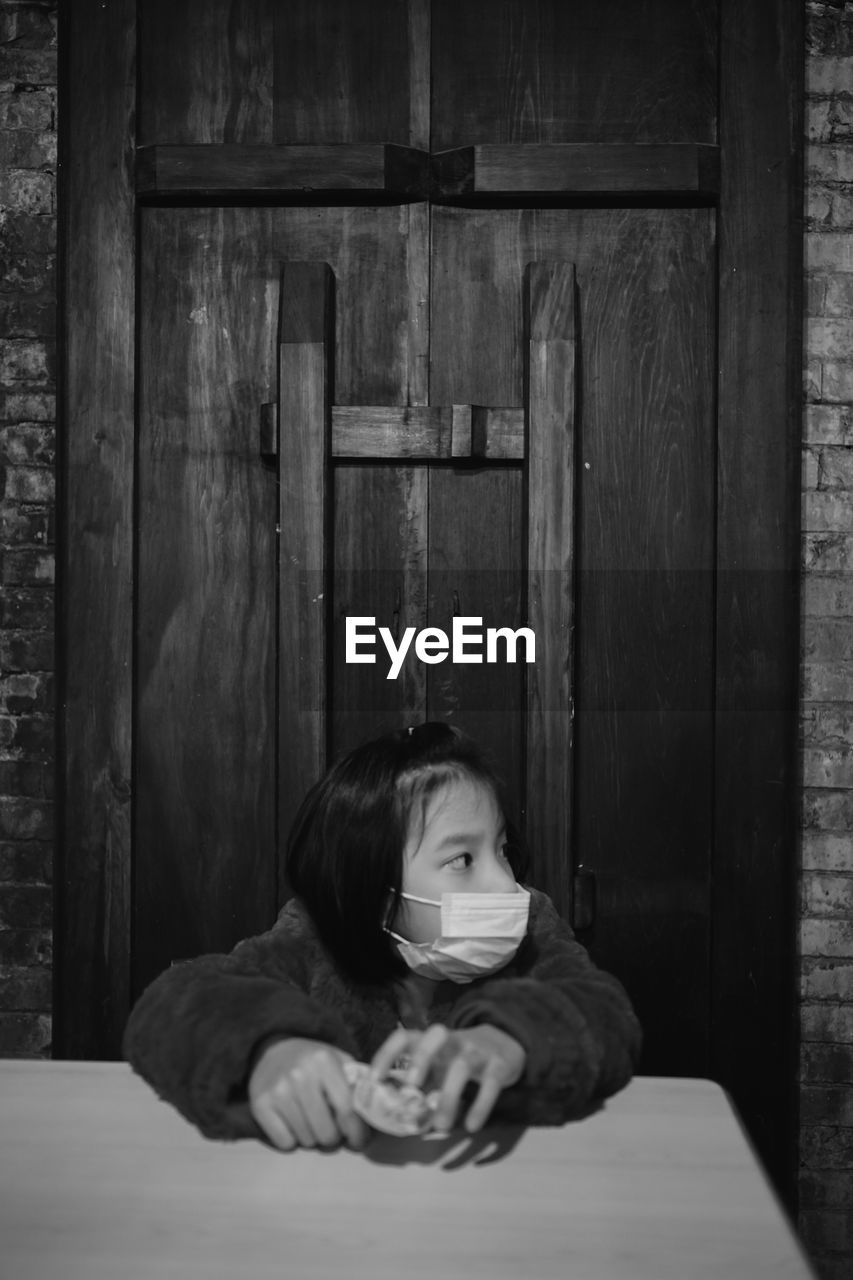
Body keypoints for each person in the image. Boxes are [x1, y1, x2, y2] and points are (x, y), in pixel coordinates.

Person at [123, 722, 641, 1151]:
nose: (506, 882)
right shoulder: (316, 936)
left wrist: (510, 1040)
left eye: (502, 848)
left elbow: (605, 1012)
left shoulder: (530, 921)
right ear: (377, 890)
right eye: (462, 859)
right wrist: (267, 1050)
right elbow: (171, 1006)